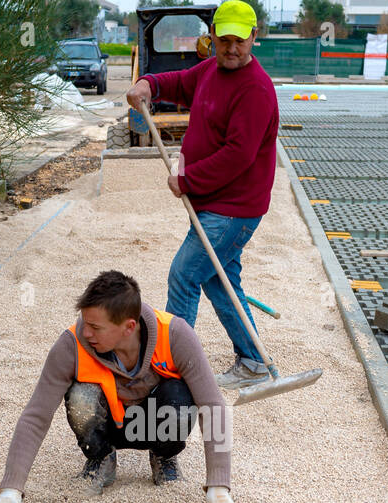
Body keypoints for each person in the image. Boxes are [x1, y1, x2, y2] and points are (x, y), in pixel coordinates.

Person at [0, 270, 239, 503]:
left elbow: (214, 407)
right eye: (85, 322)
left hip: (154, 424)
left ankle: (164, 457)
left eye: (96, 327)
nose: (86, 332)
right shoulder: (71, 344)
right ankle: (101, 458)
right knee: (81, 396)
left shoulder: (176, 334)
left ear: (129, 327)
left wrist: (219, 488)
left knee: (179, 396)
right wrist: (10, 491)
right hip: (106, 426)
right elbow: (36, 416)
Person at [124, 0, 279, 391]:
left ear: (253, 38)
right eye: (223, 39)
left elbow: (237, 156)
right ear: (212, 37)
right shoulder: (211, 70)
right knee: (219, 279)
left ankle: (172, 371)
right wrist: (151, 84)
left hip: (234, 209)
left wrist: (188, 179)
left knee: (185, 274)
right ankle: (254, 360)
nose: (230, 48)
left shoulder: (256, 90)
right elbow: (180, 83)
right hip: (214, 202)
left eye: (239, 41)